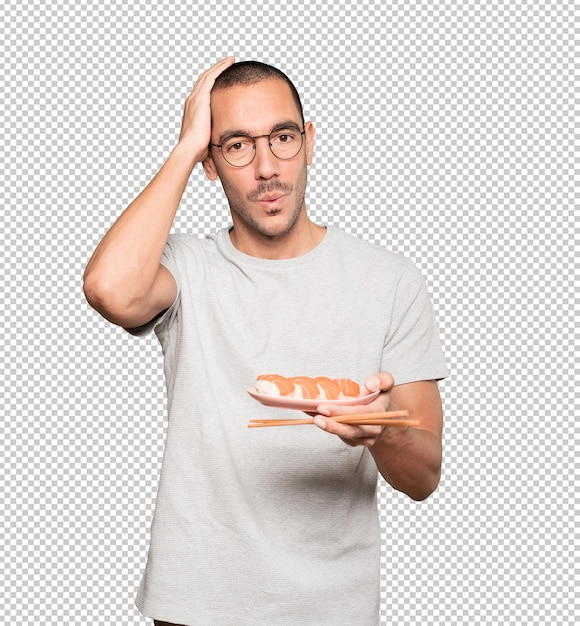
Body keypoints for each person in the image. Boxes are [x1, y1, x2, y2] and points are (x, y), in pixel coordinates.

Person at [83, 57, 449, 626]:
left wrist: (380, 431)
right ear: (211, 164)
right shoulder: (186, 267)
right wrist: (184, 147)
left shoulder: (391, 280)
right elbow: (109, 290)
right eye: (235, 146)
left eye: (282, 138)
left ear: (308, 141)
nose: (266, 168)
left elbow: (424, 476)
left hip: (333, 610)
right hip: (194, 605)